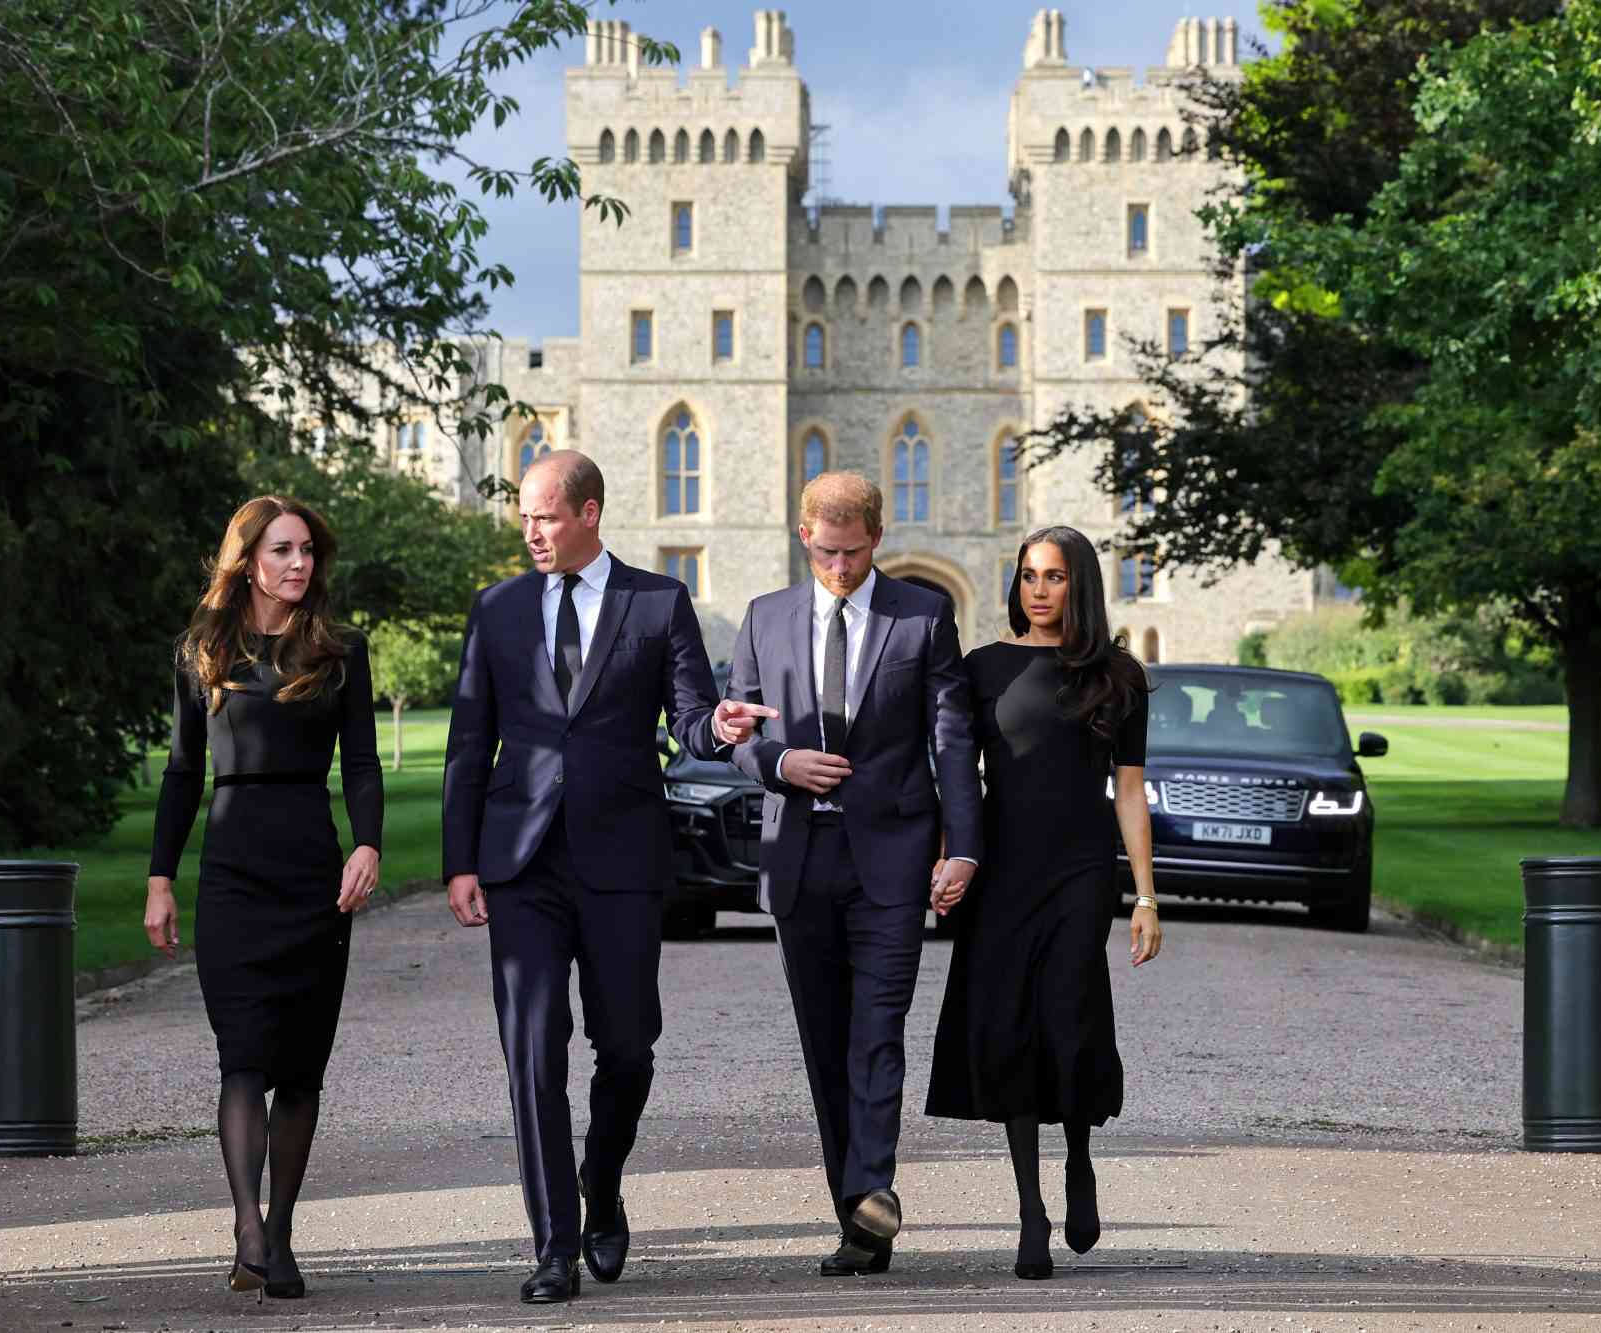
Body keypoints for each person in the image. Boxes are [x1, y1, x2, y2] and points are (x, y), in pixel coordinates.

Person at [442, 450, 765, 1305]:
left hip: (622, 858)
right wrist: (460, 859)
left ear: (589, 512)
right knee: (531, 1054)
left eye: (545, 516)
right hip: (522, 862)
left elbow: (690, 719)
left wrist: (721, 727)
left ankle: (602, 1179)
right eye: (523, 518)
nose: (531, 531)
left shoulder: (657, 602)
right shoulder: (498, 608)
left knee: (626, 1046)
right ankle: (553, 1244)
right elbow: (470, 741)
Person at [716, 471, 984, 1276]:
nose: (840, 566)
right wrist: (779, 761)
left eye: (855, 551)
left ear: (878, 539)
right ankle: (856, 1216)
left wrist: (962, 844)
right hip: (799, 859)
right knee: (826, 1043)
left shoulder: (924, 614)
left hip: (891, 861)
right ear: (805, 535)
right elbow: (737, 731)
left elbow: (952, 738)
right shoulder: (764, 619)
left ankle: (872, 1192)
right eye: (827, 550)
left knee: (877, 1033)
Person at [143, 495, 383, 1303]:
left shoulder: (342, 648)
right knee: (244, 1056)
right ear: (247, 559)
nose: (300, 563)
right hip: (234, 875)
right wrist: (159, 878)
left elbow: (363, 765)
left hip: (312, 872)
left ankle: (279, 1233)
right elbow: (181, 772)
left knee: (302, 1068)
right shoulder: (202, 650)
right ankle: (248, 1226)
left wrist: (368, 841)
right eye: (283, 549)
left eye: (308, 550)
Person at [924, 524, 1163, 1280]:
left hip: (1081, 870)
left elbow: (1130, 789)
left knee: (1067, 1016)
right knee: (1008, 1029)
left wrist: (1147, 896)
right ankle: (1030, 1209)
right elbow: (956, 768)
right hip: (1002, 871)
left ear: (1079, 584)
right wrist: (948, 851)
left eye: (1055, 576)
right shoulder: (983, 668)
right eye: (1029, 574)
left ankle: (1081, 1159)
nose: (1038, 588)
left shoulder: (1117, 674)